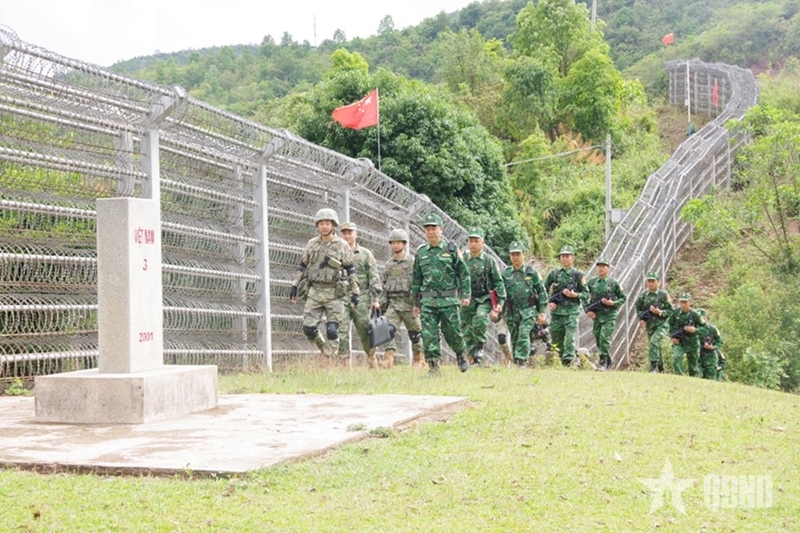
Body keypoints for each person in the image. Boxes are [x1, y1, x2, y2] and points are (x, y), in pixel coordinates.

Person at [289, 208, 359, 363]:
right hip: (315, 291)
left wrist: (355, 291)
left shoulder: (342, 245)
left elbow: (350, 269)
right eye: (321, 223)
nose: (324, 226)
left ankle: (328, 359)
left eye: (327, 223)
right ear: (317, 225)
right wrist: (294, 286)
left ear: (333, 225)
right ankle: (324, 350)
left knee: (332, 330)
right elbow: (302, 265)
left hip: (335, 293)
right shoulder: (312, 244)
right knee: (308, 329)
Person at [412, 213, 471, 375]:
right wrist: (416, 304)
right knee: (428, 335)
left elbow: (463, 273)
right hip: (428, 301)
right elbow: (416, 279)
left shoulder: (451, 249)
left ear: (441, 229)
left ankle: (461, 354)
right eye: (427, 229)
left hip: (448, 299)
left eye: (434, 228)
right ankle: (433, 367)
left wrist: (465, 295)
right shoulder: (421, 252)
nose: (431, 232)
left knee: (452, 332)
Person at [337, 222, 382, 368]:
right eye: (344, 233)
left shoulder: (365, 254)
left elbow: (373, 276)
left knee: (365, 330)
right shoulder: (337, 253)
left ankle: (371, 358)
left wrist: (375, 298)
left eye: (350, 233)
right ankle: (344, 364)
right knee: (341, 331)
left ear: (356, 234)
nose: (347, 236)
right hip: (342, 296)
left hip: (362, 297)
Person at [379, 228, 424, 369]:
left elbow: (419, 283)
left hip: (409, 304)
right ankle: (388, 358)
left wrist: (418, 303)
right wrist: (383, 306)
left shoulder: (412, 262)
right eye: (393, 243)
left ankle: (418, 359)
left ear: (404, 244)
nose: (395, 245)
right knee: (387, 330)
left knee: (415, 335)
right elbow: (384, 285)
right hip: (394, 304)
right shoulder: (389, 265)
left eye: (398, 242)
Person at [497, 241, 547, 367]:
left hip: (528, 310)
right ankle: (517, 363)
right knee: (515, 337)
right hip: (512, 311)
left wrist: (541, 312)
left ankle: (521, 361)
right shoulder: (505, 273)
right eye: (513, 254)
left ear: (523, 254)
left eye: (518, 254)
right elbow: (499, 292)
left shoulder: (532, 273)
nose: (515, 257)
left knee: (523, 334)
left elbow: (542, 292)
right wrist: (498, 307)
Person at [461, 226, 506, 366]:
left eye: (476, 241)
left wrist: (500, 303)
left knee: (480, 318)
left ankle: (479, 346)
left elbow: (498, 282)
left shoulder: (488, 260)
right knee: (466, 327)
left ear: (483, 243)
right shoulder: (463, 259)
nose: (473, 244)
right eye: (471, 241)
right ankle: (472, 358)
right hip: (467, 298)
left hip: (484, 298)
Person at [544, 245, 589, 366]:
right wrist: (549, 302)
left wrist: (575, 295)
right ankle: (559, 360)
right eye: (562, 256)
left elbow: (586, 293)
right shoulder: (554, 274)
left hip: (571, 311)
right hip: (557, 312)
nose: (564, 258)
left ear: (573, 258)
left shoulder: (578, 275)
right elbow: (543, 289)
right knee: (556, 338)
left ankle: (568, 361)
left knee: (569, 338)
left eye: (567, 256)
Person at [584, 257, 627, 370]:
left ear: (608, 268)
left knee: (604, 337)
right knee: (598, 339)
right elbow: (584, 295)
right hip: (597, 315)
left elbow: (623, 297)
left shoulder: (613, 283)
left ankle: (602, 362)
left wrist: (613, 303)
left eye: (603, 266)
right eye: (599, 266)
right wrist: (587, 310)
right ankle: (608, 359)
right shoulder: (592, 282)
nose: (601, 268)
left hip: (609, 315)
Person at [634, 272, 673, 373]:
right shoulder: (643, 295)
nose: (650, 283)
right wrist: (642, 319)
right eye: (649, 281)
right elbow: (638, 308)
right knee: (655, 346)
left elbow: (671, 310)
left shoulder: (663, 295)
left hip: (662, 324)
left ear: (658, 282)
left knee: (654, 341)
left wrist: (660, 312)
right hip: (650, 325)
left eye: (653, 281)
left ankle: (653, 367)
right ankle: (661, 368)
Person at [668, 293, 703, 376]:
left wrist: (695, 330)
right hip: (679, 341)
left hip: (692, 343)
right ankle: (679, 376)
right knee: (677, 357)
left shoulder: (695, 314)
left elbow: (705, 328)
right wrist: (672, 336)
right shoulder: (676, 312)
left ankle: (693, 379)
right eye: (681, 302)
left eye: (685, 302)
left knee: (693, 367)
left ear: (690, 302)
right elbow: (670, 324)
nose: (683, 305)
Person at [696, 309, 723, 380]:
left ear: (705, 318)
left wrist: (713, 347)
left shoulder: (712, 329)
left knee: (710, 378)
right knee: (697, 376)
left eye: (701, 318)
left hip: (710, 356)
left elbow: (720, 342)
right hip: (697, 355)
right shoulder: (693, 329)